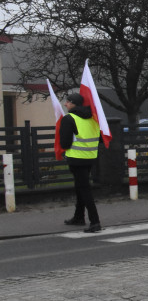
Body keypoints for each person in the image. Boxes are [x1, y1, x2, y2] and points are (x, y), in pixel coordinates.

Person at [59, 92, 102, 233]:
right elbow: (100, 139)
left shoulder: (69, 119)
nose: (65, 104)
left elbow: (65, 143)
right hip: (90, 157)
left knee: (84, 189)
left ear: (73, 103)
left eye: (67, 102)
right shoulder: (94, 118)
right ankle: (78, 217)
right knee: (80, 187)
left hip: (76, 159)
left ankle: (95, 222)